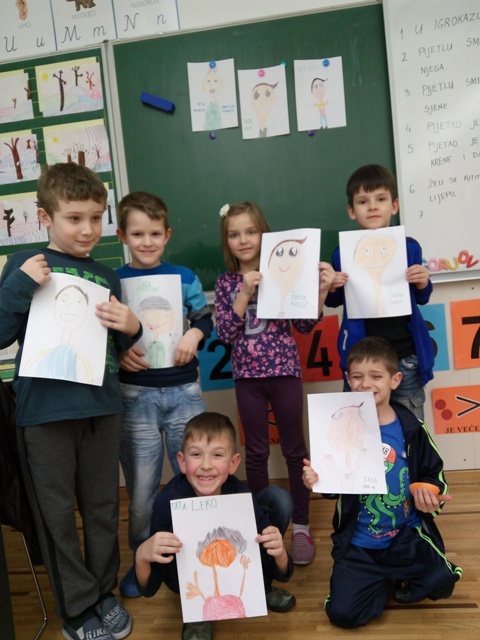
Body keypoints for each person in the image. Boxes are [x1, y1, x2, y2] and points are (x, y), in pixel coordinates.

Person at [0, 163, 142, 640]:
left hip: (102, 409)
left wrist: (133, 327)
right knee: (56, 517)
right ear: (45, 217)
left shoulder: (107, 276)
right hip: (44, 415)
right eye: (74, 218)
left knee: (103, 508)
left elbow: (117, 350)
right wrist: (20, 285)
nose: (88, 229)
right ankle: (77, 609)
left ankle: (103, 592)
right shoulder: (25, 264)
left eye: (96, 218)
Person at [303, 336, 462, 629]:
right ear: (348, 379)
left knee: (442, 582)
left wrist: (430, 493)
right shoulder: (338, 427)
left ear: (395, 380)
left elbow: (434, 474)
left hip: (404, 536)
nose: (366, 384)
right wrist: (316, 479)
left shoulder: (412, 429)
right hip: (359, 542)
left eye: (376, 376)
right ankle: (378, 581)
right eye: (357, 377)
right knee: (342, 615)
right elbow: (333, 488)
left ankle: (395, 578)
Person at [215, 201, 335, 565]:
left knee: (295, 450)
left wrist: (321, 291)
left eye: (251, 232)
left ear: (264, 235)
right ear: (226, 241)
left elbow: (304, 325)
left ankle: (301, 526)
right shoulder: (226, 283)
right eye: (234, 234)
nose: (243, 240)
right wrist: (244, 292)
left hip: (285, 374)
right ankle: (262, 526)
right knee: (255, 452)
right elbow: (225, 333)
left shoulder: (286, 273)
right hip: (247, 380)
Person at [115, 191, 213, 597]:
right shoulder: (113, 281)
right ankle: (143, 562)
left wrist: (195, 333)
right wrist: (119, 352)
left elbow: (204, 317)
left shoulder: (184, 277)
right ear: (122, 235)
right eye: (138, 234)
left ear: (167, 234)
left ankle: (203, 553)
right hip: (135, 395)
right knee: (141, 490)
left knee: (198, 477)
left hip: (183, 391)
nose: (147, 241)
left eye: (155, 233)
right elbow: (105, 333)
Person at [135, 411, 296, 640]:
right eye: (196, 454)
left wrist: (279, 551)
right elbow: (150, 586)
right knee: (172, 554)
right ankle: (196, 613)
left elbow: (278, 565)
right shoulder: (167, 503)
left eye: (217, 455)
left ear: (233, 463)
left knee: (279, 500)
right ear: (182, 462)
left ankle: (262, 587)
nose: (206, 465)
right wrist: (142, 556)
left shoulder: (241, 495)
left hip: (238, 564)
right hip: (185, 579)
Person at [326, 164, 434, 420]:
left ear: (394, 206)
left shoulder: (409, 248)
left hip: (404, 356)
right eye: (363, 201)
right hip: (361, 360)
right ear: (352, 211)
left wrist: (422, 282)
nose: (372, 207)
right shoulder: (342, 253)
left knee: (410, 425)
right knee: (360, 426)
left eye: (381, 199)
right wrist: (332, 285)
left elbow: (421, 297)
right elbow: (334, 301)